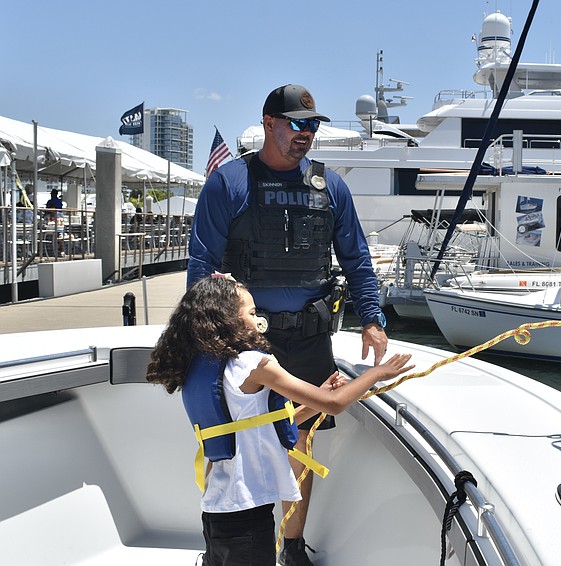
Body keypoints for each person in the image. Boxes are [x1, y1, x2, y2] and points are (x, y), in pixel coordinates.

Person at [187, 84, 389, 565]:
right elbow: (201, 266)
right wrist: (205, 339)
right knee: (243, 442)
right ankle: (239, 544)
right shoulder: (229, 183)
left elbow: (357, 260)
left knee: (300, 441)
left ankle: (291, 545)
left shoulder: (331, 187)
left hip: (308, 337)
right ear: (268, 122)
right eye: (297, 124)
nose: (306, 134)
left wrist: (373, 320)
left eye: (313, 125)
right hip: (246, 341)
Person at [146, 275, 413, 566]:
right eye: (250, 313)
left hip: (217, 512)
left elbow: (255, 425)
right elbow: (335, 405)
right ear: (227, 319)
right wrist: (376, 374)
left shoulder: (204, 363)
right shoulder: (252, 365)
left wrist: (316, 398)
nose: (258, 318)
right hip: (248, 516)